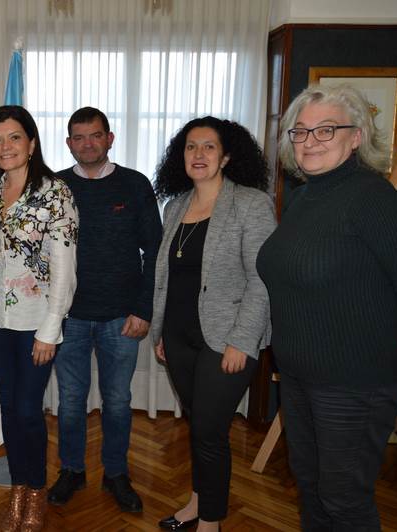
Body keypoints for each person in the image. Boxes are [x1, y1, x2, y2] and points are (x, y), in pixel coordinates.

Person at [257, 84, 397, 530]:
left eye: (326, 130)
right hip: (301, 377)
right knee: (314, 488)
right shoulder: (306, 198)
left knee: (345, 502)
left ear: (356, 136)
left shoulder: (374, 200)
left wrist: (364, 341)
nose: (310, 141)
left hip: (354, 382)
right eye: (300, 132)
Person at [150, 116, 275, 532]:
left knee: (209, 429)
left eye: (208, 147)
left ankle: (212, 522)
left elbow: (263, 279)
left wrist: (244, 340)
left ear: (226, 156)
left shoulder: (251, 204)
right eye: (190, 147)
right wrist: (161, 331)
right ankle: (197, 503)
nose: (198, 154)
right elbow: (167, 277)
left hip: (227, 338)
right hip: (179, 336)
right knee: (196, 423)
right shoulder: (175, 207)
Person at [49, 107, 162, 512]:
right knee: (71, 401)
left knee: (117, 400)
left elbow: (155, 250)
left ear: (109, 138)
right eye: (78, 137)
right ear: (68, 143)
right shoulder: (56, 187)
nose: (88, 144)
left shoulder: (134, 184)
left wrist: (143, 309)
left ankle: (116, 473)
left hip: (122, 317)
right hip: (70, 317)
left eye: (95, 135)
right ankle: (72, 470)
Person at [0, 105, 78, 532]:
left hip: (37, 324)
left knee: (26, 409)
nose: (6, 146)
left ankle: (35, 492)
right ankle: (18, 486)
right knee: (11, 410)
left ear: (32, 143)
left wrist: (51, 329)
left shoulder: (55, 193)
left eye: (14, 137)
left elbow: (65, 267)